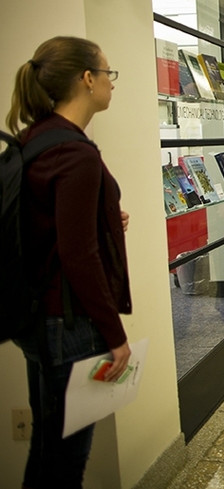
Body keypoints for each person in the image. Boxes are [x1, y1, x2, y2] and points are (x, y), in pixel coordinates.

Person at [6, 37, 132, 487]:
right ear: (86, 79)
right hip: (70, 325)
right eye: (108, 75)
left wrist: (102, 216)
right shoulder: (75, 152)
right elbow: (79, 256)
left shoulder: (35, 139)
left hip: (39, 318)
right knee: (66, 462)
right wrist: (116, 337)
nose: (111, 85)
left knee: (46, 447)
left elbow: (45, 224)